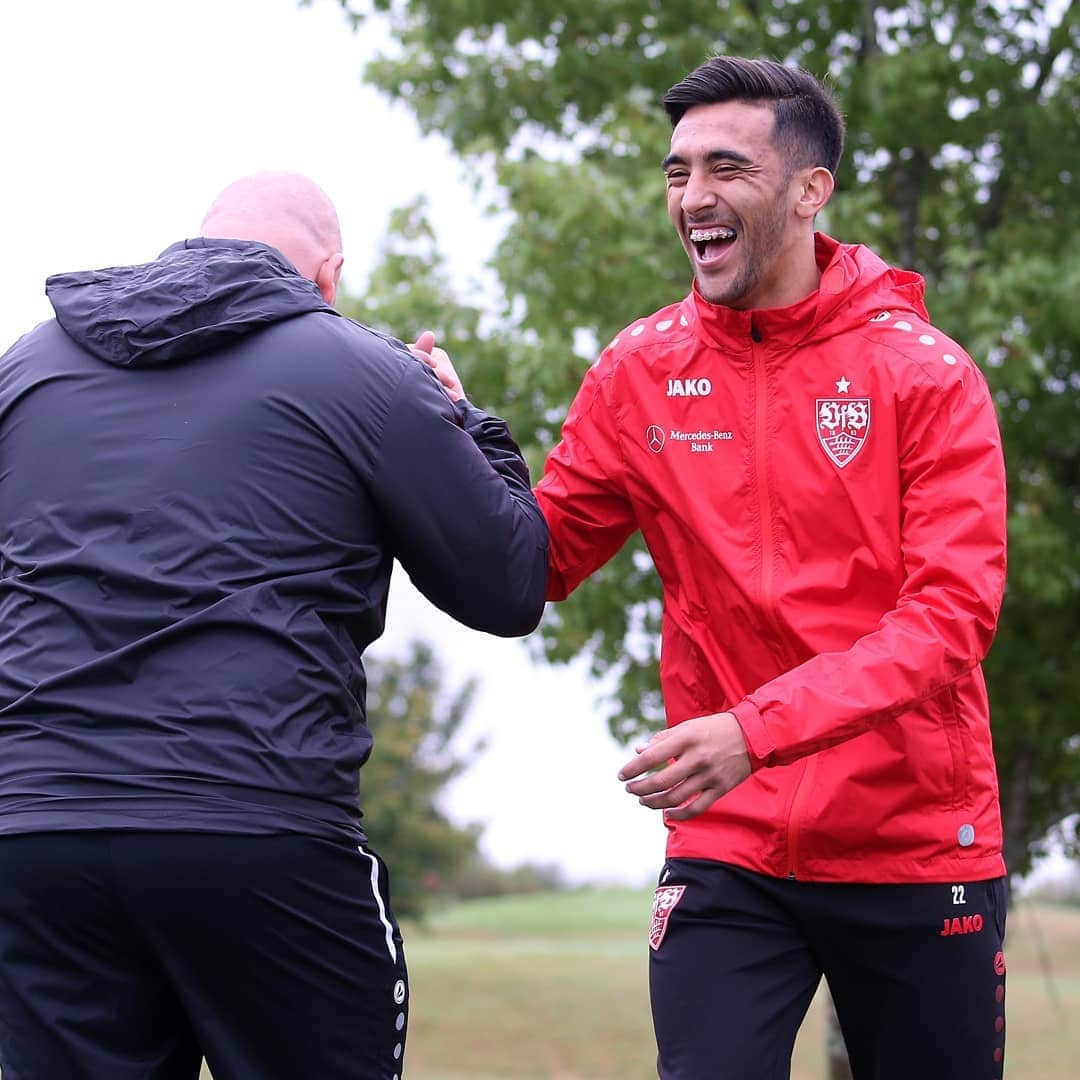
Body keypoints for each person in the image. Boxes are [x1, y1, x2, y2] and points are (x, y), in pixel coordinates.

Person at [0, 171, 548, 1079]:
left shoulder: (26, 367)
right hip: (253, 821)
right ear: (328, 274)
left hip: (34, 835)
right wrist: (467, 420)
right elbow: (507, 584)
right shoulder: (364, 371)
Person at [533, 57, 1009, 1079]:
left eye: (724, 168)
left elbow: (948, 622)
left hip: (916, 840)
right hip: (728, 848)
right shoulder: (640, 370)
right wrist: (443, 440)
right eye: (676, 173)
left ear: (808, 190)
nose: (692, 197)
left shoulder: (926, 375)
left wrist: (756, 731)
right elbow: (537, 560)